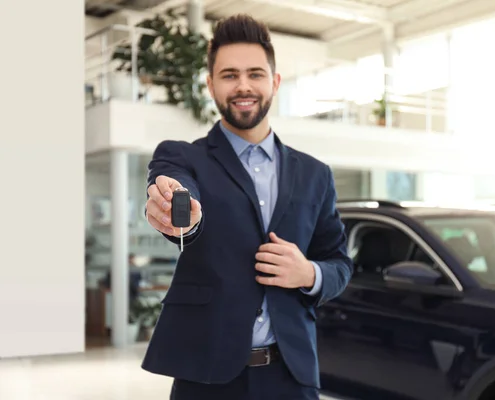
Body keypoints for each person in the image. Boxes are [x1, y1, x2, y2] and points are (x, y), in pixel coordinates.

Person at [142, 13, 353, 400]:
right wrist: (180, 215)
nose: (243, 86)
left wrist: (308, 272)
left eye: (255, 74)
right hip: (206, 378)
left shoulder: (315, 174)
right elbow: (177, 193)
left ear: (274, 82)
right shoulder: (183, 158)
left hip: (290, 375)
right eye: (229, 75)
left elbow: (339, 263)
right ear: (210, 84)